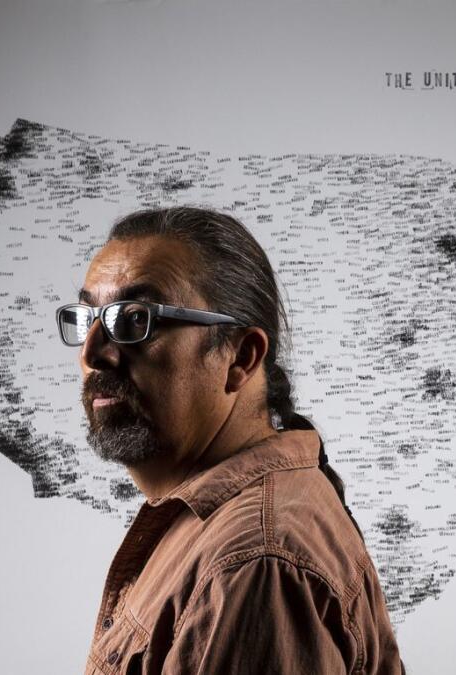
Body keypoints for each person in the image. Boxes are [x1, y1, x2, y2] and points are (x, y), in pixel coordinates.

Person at [57, 207, 404, 674]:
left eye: (136, 318)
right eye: (88, 318)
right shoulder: (221, 530)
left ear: (241, 355)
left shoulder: (253, 564)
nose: (93, 354)